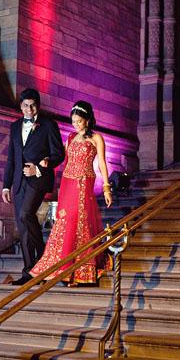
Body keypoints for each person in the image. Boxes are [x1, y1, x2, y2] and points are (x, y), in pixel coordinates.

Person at [29, 100, 113, 285]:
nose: (75, 124)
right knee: (65, 221)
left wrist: (106, 187)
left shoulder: (96, 138)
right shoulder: (70, 137)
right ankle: (62, 266)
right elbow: (61, 158)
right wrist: (47, 162)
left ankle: (80, 268)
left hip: (84, 182)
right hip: (67, 183)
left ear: (88, 120)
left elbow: (102, 164)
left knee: (79, 219)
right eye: (73, 121)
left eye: (79, 121)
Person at [2, 88, 64, 285]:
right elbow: (11, 158)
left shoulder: (48, 125)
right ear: (21, 106)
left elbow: (58, 154)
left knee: (25, 214)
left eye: (33, 105)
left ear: (38, 106)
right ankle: (30, 272)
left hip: (38, 179)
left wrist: (39, 167)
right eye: (26, 105)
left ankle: (44, 253)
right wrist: (6, 185)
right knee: (23, 227)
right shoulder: (14, 127)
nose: (29, 109)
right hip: (19, 182)